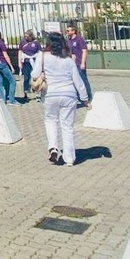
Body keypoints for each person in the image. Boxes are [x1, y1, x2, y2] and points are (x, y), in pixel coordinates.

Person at [37, 32, 89, 166]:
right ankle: (69, 159)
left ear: (48, 43)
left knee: (50, 121)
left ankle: (53, 147)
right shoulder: (69, 60)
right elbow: (78, 81)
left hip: (50, 94)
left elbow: (35, 74)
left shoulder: (42, 56)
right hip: (69, 95)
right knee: (67, 126)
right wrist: (85, 99)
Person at [0, 28, 20, 105]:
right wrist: (11, 66)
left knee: (0, 81)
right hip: (2, 63)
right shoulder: (1, 43)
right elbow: (5, 55)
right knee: (12, 81)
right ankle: (12, 100)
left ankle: (2, 99)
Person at [66, 24, 93, 106]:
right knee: (75, 81)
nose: (67, 32)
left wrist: (82, 63)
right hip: (72, 64)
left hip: (79, 63)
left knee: (83, 80)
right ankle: (78, 97)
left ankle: (88, 97)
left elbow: (84, 51)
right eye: (66, 31)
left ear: (73, 31)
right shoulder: (68, 40)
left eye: (68, 30)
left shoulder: (79, 39)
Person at [17, 30, 42, 102]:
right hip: (26, 61)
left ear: (31, 36)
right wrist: (19, 62)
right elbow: (20, 52)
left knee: (36, 77)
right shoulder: (23, 42)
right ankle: (25, 92)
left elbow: (40, 52)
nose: (26, 38)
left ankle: (37, 93)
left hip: (35, 61)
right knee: (26, 77)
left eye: (27, 36)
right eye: (25, 36)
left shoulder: (36, 43)